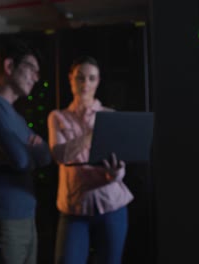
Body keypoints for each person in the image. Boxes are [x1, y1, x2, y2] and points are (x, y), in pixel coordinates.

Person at [0, 37, 52, 264]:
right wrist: (30, 148)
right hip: (3, 218)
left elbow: (45, 157)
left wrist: (32, 150)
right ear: (8, 66)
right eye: (31, 69)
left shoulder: (16, 116)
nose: (36, 77)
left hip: (27, 217)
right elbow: (21, 160)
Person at [47, 55, 134, 264]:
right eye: (80, 78)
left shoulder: (110, 115)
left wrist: (115, 174)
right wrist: (89, 136)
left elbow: (120, 165)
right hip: (74, 207)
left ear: (98, 81)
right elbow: (60, 155)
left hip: (112, 204)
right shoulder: (58, 117)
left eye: (91, 78)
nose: (85, 84)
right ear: (71, 79)